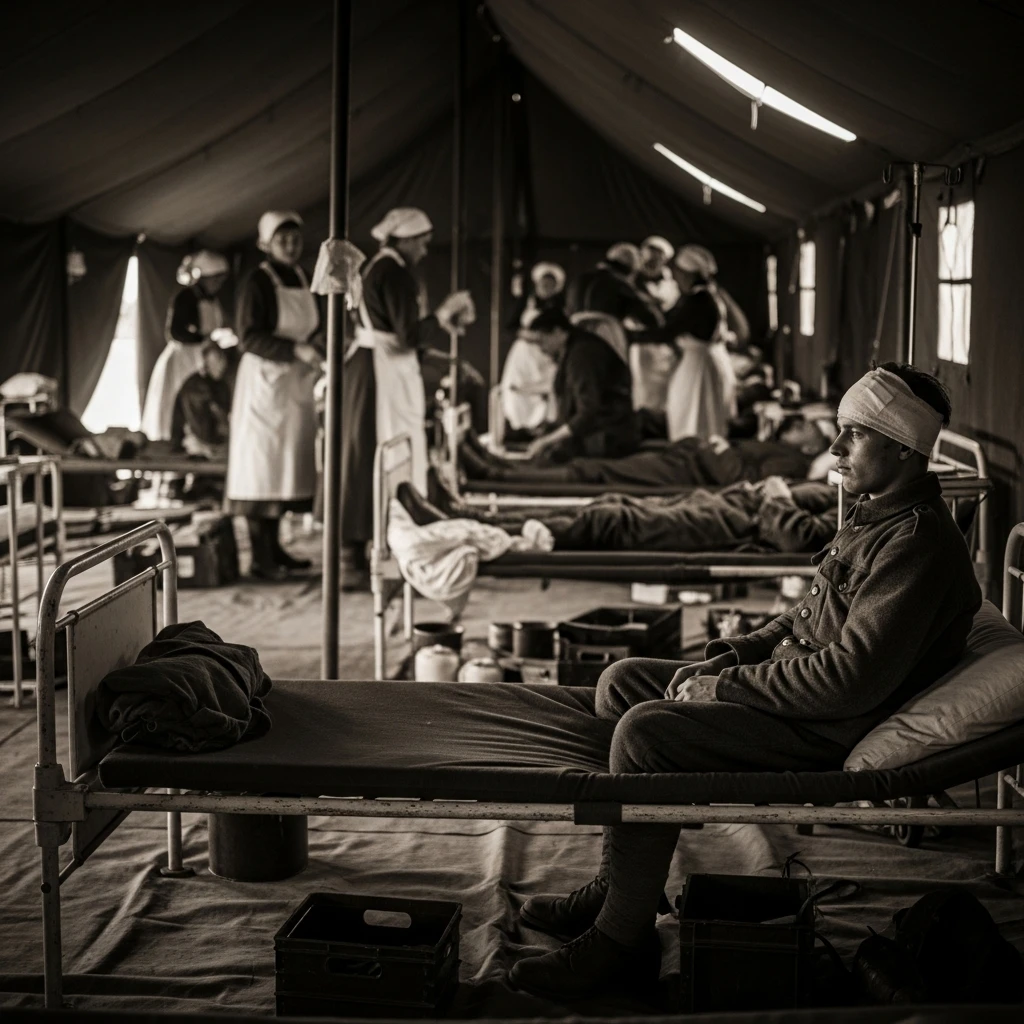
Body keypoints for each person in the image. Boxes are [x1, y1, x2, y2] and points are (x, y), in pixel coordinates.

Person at [505, 363, 982, 1000]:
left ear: (903, 447)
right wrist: (724, 660)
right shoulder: (877, 514)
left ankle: (623, 942)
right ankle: (615, 889)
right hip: (800, 690)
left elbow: (846, 683)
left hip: (829, 725)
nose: (833, 450)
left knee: (647, 735)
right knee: (624, 683)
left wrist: (726, 690)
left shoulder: (916, 544)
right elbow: (805, 616)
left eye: (853, 435)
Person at [340, 206, 474, 591]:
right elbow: (408, 335)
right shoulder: (394, 272)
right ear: (407, 240)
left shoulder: (379, 270)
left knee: (371, 454)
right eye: (423, 242)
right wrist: (444, 314)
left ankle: (369, 545)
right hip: (383, 374)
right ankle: (380, 543)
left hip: (376, 367)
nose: (425, 251)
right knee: (386, 455)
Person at [399, 471, 838, 555]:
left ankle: (457, 524)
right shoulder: (850, 491)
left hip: (726, 526)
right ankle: (464, 514)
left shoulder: (857, 513)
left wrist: (776, 493)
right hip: (721, 503)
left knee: (608, 522)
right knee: (607, 504)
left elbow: (800, 538)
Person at [226, 210, 323, 581]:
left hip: (294, 387)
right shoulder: (258, 281)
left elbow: (309, 325)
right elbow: (249, 336)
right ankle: (260, 557)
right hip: (264, 385)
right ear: (265, 243)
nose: (290, 244)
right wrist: (296, 350)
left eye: (295, 238)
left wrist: (314, 345)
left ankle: (276, 548)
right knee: (261, 472)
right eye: (282, 238)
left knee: (285, 469)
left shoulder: (299, 276)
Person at [459, 414, 833, 489]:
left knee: (594, 473)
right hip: (686, 459)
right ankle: (499, 466)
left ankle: (495, 475)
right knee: (596, 466)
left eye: (805, 428)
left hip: (687, 475)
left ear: (814, 445)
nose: (794, 427)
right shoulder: (783, 448)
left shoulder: (793, 462)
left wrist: (718, 447)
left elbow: (740, 480)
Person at [647, 244, 750, 441]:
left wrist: (633, 334)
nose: (675, 278)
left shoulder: (698, 300)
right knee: (700, 415)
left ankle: (694, 457)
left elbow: (668, 330)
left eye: (678, 272)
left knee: (694, 417)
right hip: (704, 364)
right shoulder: (706, 295)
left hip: (699, 369)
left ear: (688, 274)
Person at [514, 308, 638, 463]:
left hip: (606, 436)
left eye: (542, 341)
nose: (541, 348)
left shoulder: (581, 355)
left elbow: (588, 412)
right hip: (599, 432)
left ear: (558, 332)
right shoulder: (574, 349)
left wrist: (547, 441)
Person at [141, 250, 231, 442]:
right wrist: (202, 340)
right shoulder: (185, 297)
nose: (217, 285)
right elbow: (174, 332)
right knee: (180, 400)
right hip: (184, 358)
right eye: (214, 280)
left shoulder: (213, 300)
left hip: (205, 355)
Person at [631, 236, 681, 412]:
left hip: (665, 345)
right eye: (648, 256)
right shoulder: (632, 284)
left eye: (656, 257)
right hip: (642, 346)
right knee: (643, 389)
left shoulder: (673, 285)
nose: (651, 261)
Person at [169, 342, 232, 459]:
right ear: (206, 363)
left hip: (213, 442)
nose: (222, 365)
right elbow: (199, 426)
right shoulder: (195, 387)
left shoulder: (221, 384)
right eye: (217, 360)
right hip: (194, 444)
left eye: (222, 359)